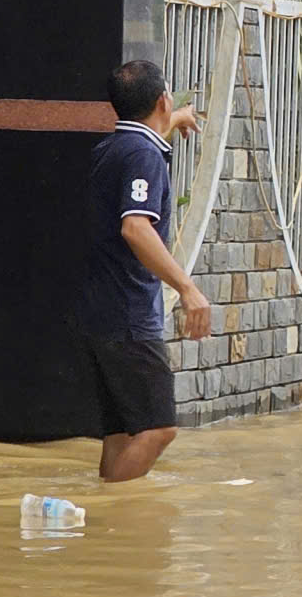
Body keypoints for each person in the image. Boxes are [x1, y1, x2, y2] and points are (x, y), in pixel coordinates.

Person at [76, 59, 211, 484]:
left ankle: (107, 535)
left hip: (99, 313)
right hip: (130, 316)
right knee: (158, 429)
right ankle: (110, 513)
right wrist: (187, 288)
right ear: (162, 100)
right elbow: (136, 227)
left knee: (120, 433)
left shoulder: (112, 149)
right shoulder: (142, 155)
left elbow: (140, 157)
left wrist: (174, 121)